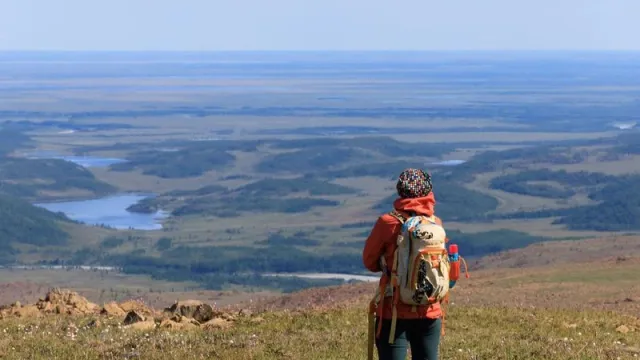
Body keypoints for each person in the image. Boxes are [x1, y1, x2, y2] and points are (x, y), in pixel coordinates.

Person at [362, 168, 444, 360]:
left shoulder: (387, 222)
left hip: (394, 310)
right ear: (428, 192)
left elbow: (369, 261)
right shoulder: (435, 223)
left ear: (400, 190)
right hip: (430, 309)